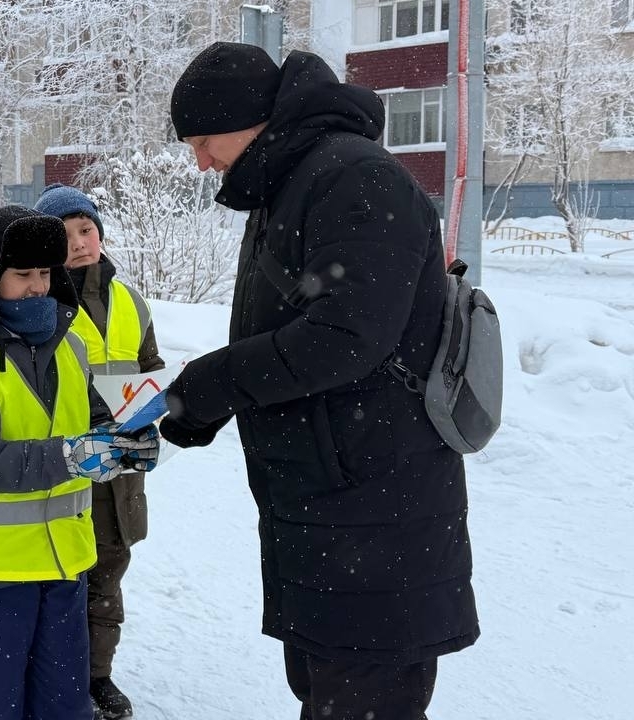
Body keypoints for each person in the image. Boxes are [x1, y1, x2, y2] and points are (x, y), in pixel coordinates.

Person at [161, 42, 478, 719]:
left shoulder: (353, 178)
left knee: (363, 699)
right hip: (327, 506)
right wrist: (202, 403)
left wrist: (209, 386)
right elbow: (293, 334)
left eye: (205, 140)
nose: (201, 161)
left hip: (373, 514)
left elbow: (342, 340)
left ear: (248, 120)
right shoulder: (295, 184)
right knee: (328, 689)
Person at [0, 206, 159, 720]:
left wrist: (130, 442)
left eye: (45, 272)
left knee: (64, 707)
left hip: (68, 562)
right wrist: (73, 456)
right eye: (22, 274)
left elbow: (98, 419)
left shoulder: (70, 345)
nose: (38, 287)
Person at [34, 183, 163, 720]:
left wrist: (150, 408)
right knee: (64, 579)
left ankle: (97, 677)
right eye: (65, 236)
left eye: (86, 230)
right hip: (67, 463)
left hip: (123, 469)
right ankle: (56, 676)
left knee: (107, 577)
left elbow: (151, 367)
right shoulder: (40, 300)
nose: (80, 243)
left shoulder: (131, 300)